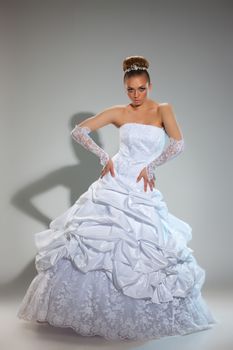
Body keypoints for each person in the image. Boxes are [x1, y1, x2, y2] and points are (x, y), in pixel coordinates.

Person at [17, 55, 217, 341]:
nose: (136, 95)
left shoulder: (163, 109)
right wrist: (102, 155)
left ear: (150, 85)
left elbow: (179, 143)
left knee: (146, 244)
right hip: (114, 181)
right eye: (130, 90)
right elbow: (79, 131)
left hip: (142, 184)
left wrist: (152, 165)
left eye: (141, 89)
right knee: (95, 245)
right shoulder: (118, 112)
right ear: (125, 88)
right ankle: (91, 310)